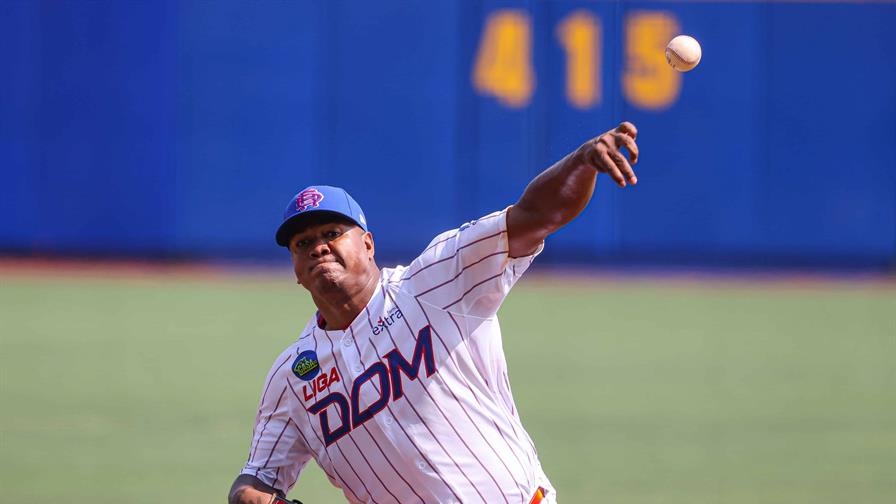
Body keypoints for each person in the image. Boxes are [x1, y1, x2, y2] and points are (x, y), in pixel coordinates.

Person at [228, 122, 640, 504]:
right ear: (296, 272)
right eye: (302, 244)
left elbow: (536, 215)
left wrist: (581, 162)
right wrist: (251, 497)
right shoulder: (294, 378)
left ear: (368, 245)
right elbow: (257, 480)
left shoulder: (435, 280)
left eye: (332, 233)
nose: (318, 247)